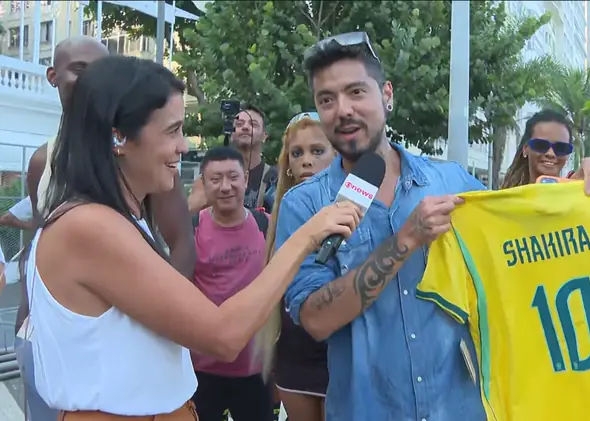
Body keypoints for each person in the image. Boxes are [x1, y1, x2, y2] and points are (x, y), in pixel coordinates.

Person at [274, 32, 590, 421]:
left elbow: (521, 238)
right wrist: (405, 240)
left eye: (356, 92)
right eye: (326, 99)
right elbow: (315, 319)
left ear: (387, 95)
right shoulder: (304, 206)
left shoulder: (451, 182)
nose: (342, 110)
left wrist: (577, 192)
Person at [23, 55, 361, 420]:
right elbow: (224, 335)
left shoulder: (114, 220)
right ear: (118, 136)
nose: (184, 146)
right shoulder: (89, 227)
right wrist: (307, 236)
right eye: (172, 131)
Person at [17, 36, 193, 421]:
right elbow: (40, 241)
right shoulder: (43, 161)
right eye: (80, 70)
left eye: (101, 70)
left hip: (129, 363)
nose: (91, 80)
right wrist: (33, 315)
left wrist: (171, 314)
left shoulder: (145, 160)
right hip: (50, 344)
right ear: (53, 76)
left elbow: (181, 240)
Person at [257, 112, 337, 421]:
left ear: (337, 155)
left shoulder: (360, 212)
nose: (306, 161)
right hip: (294, 354)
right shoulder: (281, 216)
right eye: (297, 153)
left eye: (317, 151)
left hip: (342, 352)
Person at [191, 147, 275, 421]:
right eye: (215, 179)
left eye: (233, 177)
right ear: (204, 183)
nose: (225, 187)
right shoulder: (191, 229)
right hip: (202, 369)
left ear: (246, 179)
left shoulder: (267, 226)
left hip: (255, 369)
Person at [188, 106, 278, 214]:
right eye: (239, 124)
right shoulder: (210, 176)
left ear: (264, 136)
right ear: (231, 133)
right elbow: (189, 214)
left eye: (253, 124)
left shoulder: (274, 178)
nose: (245, 127)